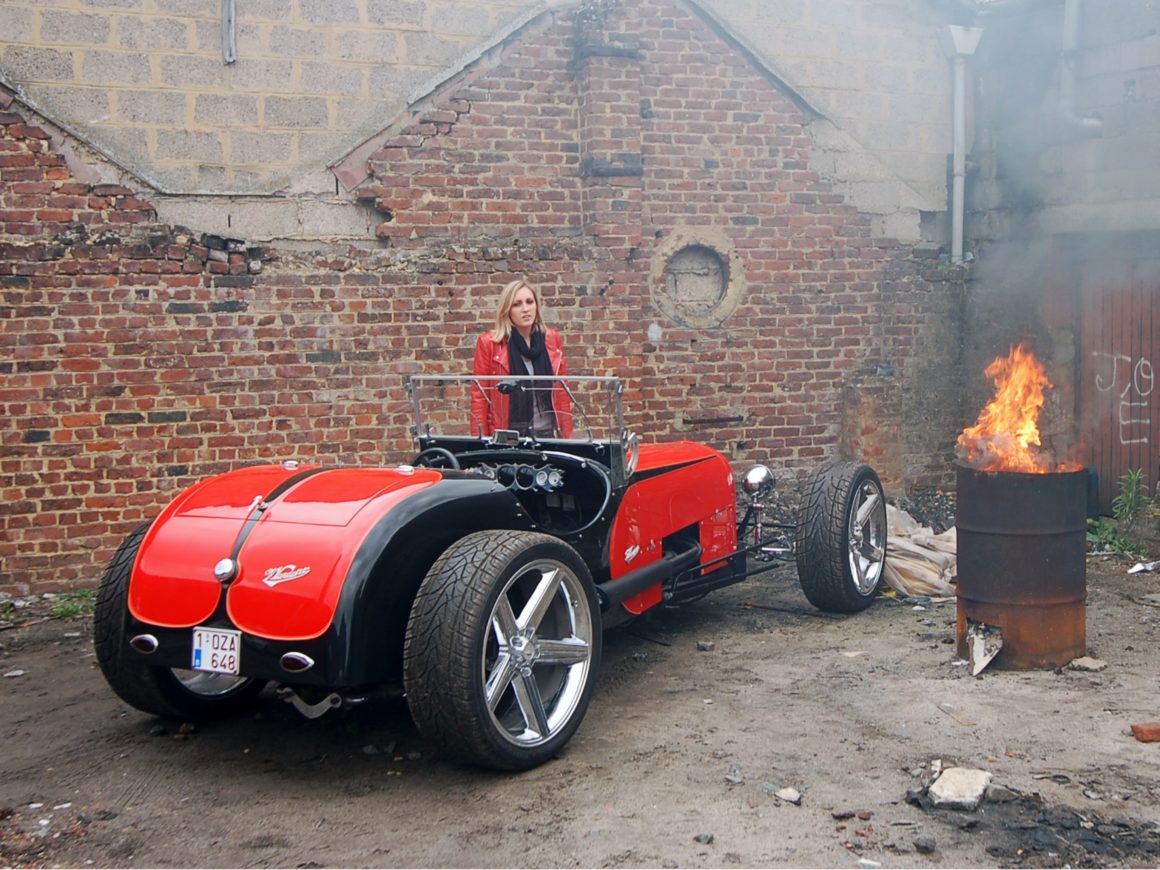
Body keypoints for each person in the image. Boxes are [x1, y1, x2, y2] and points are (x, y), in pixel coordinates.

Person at [471, 279, 574, 438]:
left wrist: (567, 440)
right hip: (508, 434)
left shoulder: (552, 339)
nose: (525, 309)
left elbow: (562, 393)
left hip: (545, 432)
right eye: (517, 304)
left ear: (536, 306)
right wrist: (479, 442)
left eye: (529, 302)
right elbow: (479, 398)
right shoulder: (489, 344)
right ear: (507, 310)